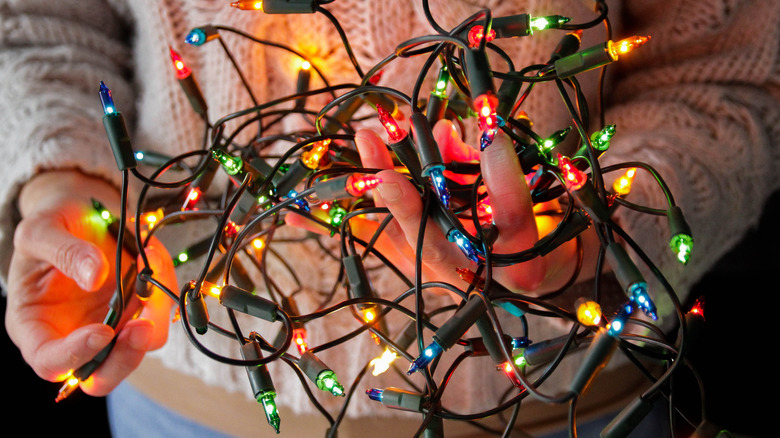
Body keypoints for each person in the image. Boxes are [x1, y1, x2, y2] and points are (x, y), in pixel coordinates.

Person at [1, 0, 778, 436]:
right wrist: (60, 185)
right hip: (181, 407)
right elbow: (41, 25)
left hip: (578, 412)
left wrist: (595, 228)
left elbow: (733, 76)